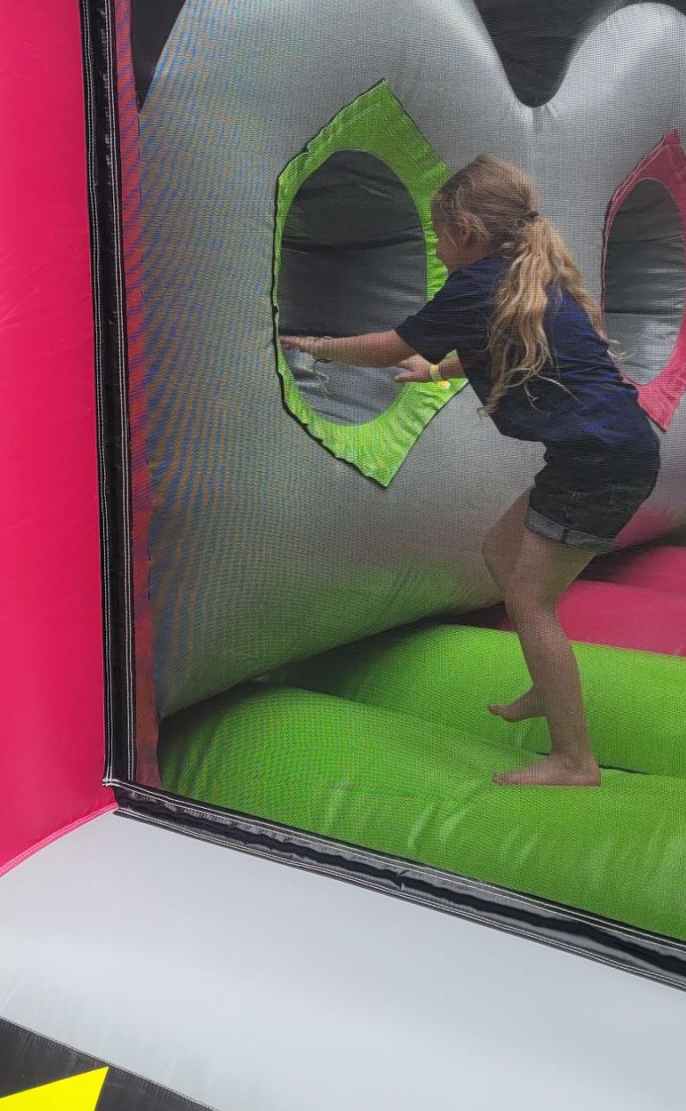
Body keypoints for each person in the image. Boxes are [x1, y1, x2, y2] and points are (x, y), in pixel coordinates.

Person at [281, 154, 660, 788]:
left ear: (465, 230)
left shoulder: (480, 282)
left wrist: (317, 346)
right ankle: (548, 682)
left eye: (438, 234)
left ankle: (574, 759)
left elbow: (392, 344)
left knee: (529, 601)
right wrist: (436, 371)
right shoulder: (524, 275)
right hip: (608, 450)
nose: (436, 246)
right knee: (499, 551)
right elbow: (508, 345)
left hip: (598, 463)